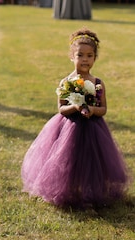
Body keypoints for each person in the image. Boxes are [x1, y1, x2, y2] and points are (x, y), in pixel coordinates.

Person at [21, 28, 131, 209]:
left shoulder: (97, 83)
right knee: (70, 159)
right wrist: (76, 106)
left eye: (89, 55)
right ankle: (68, 190)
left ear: (95, 58)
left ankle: (90, 192)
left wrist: (92, 110)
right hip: (69, 128)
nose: (85, 59)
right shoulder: (66, 82)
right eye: (80, 55)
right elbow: (61, 109)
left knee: (91, 160)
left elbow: (103, 108)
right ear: (72, 56)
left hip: (94, 128)